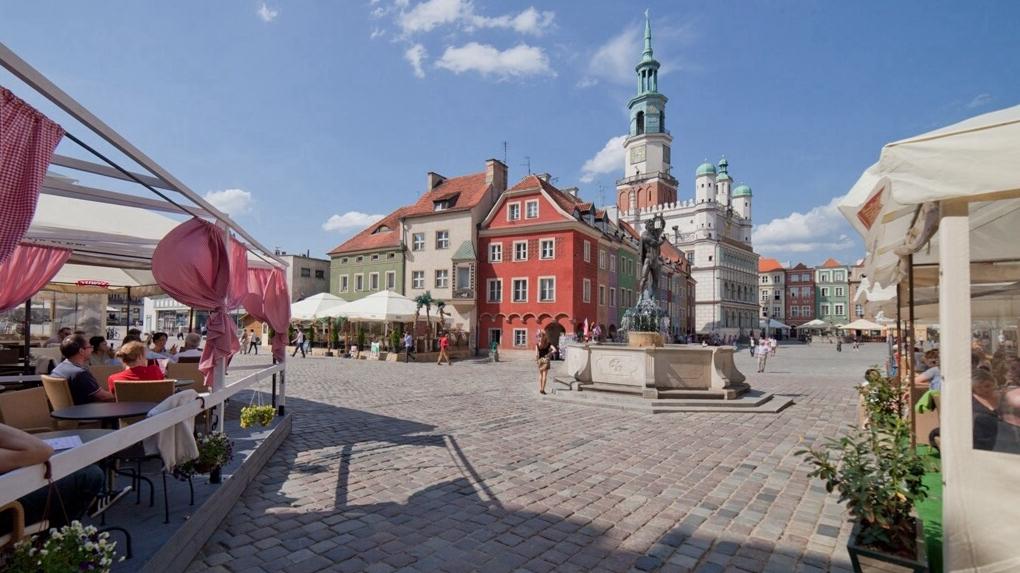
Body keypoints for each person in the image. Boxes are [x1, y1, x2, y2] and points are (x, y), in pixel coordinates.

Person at [0, 424, 105, 535]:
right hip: (8, 510)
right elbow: (42, 450)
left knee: (61, 474)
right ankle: (56, 540)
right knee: (89, 476)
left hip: (8, 497)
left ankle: (54, 540)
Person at [50, 335, 115, 404]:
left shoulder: (58, 368)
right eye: (90, 347)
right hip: (83, 412)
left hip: (65, 412)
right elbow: (103, 396)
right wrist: (122, 396)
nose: (92, 349)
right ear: (81, 351)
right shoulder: (80, 373)